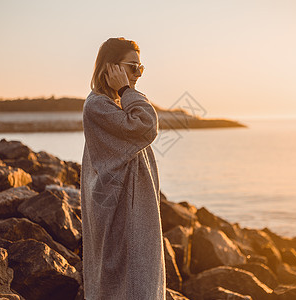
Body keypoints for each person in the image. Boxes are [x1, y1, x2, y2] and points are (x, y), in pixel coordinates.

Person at [80, 37, 166, 299]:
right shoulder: (98, 106)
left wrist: (125, 93)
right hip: (120, 210)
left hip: (132, 207)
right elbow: (146, 125)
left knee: (138, 281)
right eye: (132, 67)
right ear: (111, 68)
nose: (137, 74)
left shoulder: (116, 103)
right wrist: (127, 90)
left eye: (141, 69)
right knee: (127, 284)